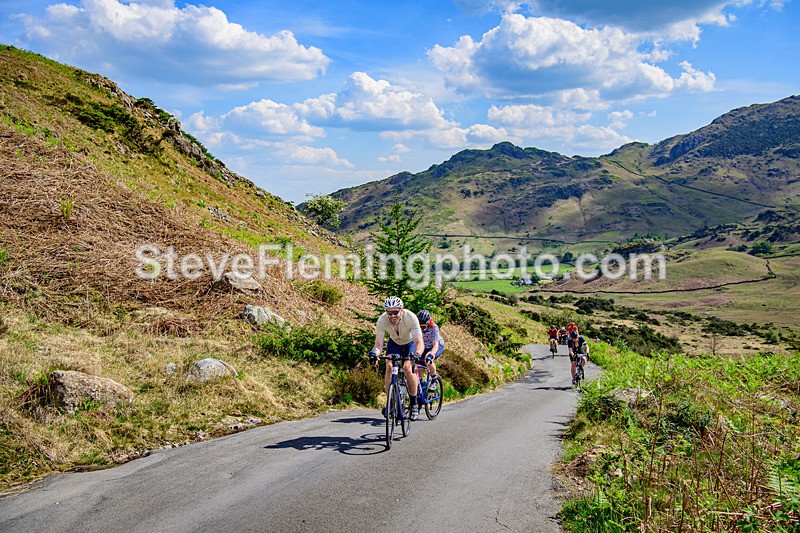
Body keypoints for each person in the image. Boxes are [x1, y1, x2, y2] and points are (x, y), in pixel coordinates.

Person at [368, 296, 425, 420]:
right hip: (394, 343)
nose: (392, 315)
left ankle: (414, 402)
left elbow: (419, 342)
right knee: (389, 367)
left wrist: (417, 355)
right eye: (389, 312)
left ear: (401, 309)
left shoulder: (410, 317)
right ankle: (391, 402)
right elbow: (378, 344)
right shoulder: (382, 320)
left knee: (407, 367)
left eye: (395, 312)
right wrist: (374, 354)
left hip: (410, 343)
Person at [414, 309, 444, 391]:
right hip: (424, 346)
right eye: (419, 327)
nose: (421, 329)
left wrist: (431, 354)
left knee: (428, 359)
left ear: (428, 323)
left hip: (436, 346)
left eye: (423, 327)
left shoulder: (433, 328)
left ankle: (434, 380)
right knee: (419, 366)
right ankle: (420, 386)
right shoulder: (415, 328)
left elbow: (435, 345)